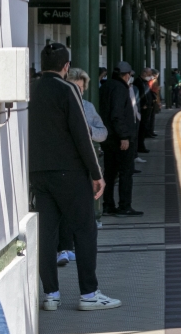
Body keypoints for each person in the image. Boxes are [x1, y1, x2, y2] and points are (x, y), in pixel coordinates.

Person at [29, 43, 121, 311]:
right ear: (66, 67)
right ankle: (89, 294)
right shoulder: (67, 89)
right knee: (85, 230)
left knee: (46, 234)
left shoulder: (31, 89)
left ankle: (51, 295)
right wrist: (96, 173)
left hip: (38, 173)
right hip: (69, 172)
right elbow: (82, 134)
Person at [58, 68, 108, 266]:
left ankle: (70, 248)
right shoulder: (59, 105)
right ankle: (63, 247)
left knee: (80, 211)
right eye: (73, 87)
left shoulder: (87, 107)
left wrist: (87, 131)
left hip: (84, 165)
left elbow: (102, 132)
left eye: (80, 88)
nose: (77, 91)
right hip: (63, 164)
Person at [100, 62, 143, 217]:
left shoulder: (106, 86)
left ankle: (108, 205)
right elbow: (117, 115)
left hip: (108, 138)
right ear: (125, 75)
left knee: (110, 173)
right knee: (125, 173)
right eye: (130, 75)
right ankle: (124, 206)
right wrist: (124, 136)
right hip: (119, 139)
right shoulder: (121, 89)